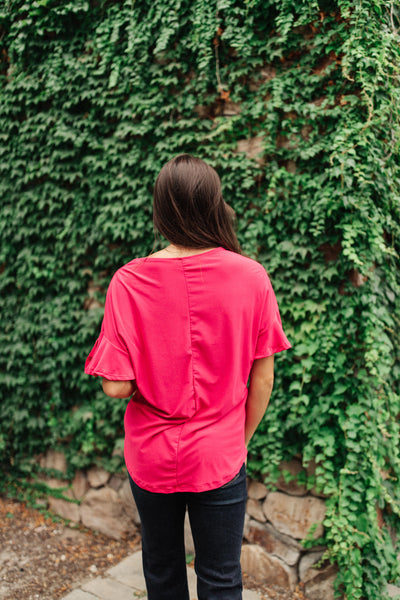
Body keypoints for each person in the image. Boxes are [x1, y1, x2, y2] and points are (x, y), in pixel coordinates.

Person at [84, 154, 291, 600]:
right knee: (220, 578)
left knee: (161, 572)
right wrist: (239, 438)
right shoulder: (252, 277)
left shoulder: (128, 281)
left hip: (152, 454)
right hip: (220, 453)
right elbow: (264, 379)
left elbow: (115, 385)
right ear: (214, 205)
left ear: (160, 211)